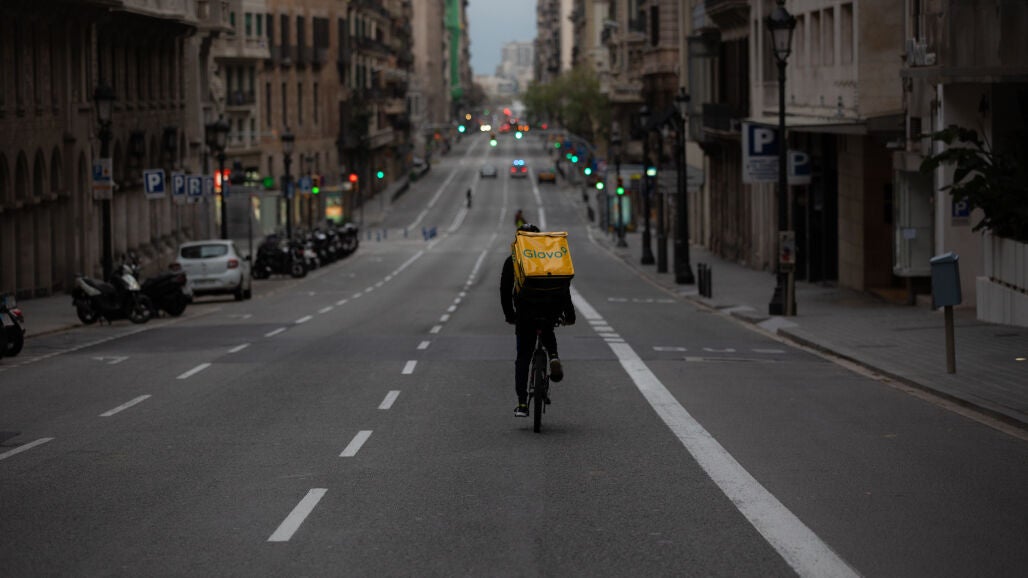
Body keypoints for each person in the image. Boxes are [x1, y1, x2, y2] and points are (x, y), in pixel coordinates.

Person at [499, 223, 576, 417]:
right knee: (547, 328)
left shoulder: (513, 260)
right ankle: (554, 356)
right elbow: (564, 287)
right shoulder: (549, 258)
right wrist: (569, 315)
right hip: (551, 309)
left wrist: (510, 315)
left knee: (523, 358)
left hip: (525, 313)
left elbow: (505, 290)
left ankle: (522, 403)